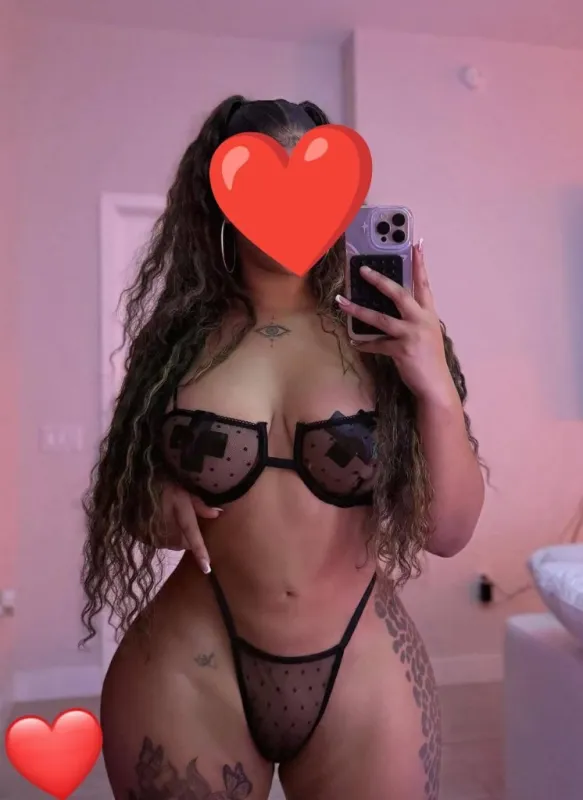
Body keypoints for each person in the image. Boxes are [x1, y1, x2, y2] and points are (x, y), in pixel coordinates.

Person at [81, 95, 485, 800]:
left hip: (360, 670)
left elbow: (446, 532)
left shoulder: (387, 336)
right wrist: (159, 500)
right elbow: (130, 497)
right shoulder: (178, 342)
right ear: (221, 196)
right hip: (192, 667)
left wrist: (435, 389)